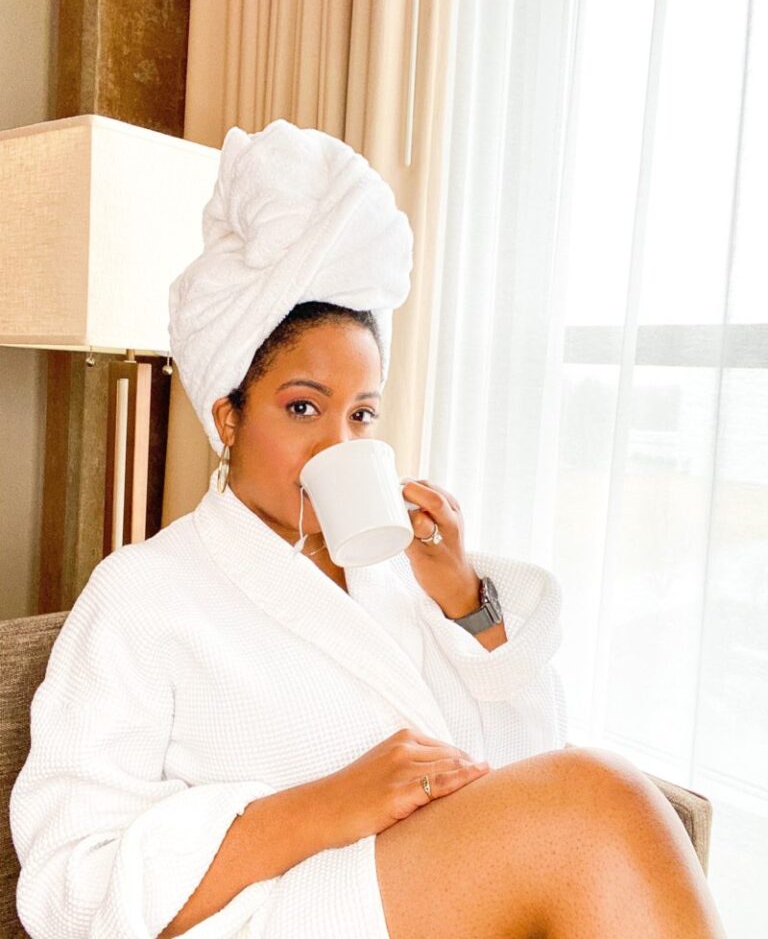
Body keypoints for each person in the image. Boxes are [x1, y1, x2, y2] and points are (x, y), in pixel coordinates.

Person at [10, 121, 725, 939]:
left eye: (363, 415)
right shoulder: (141, 593)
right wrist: (328, 806)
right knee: (602, 796)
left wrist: (465, 604)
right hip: (278, 917)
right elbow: (70, 886)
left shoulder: (389, 580)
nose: (339, 444)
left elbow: (522, 774)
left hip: (429, 903)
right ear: (228, 416)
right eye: (304, 407)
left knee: (598, 798)